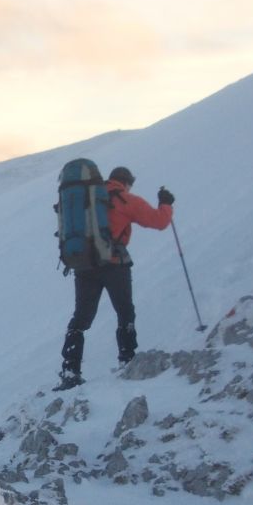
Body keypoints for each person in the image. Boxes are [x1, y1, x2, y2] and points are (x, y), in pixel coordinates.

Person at [57, 166, 174, 389]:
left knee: (80, 319)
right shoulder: (124, 198)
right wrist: (166, 203)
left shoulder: (86, 198)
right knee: (125, 312)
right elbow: (159, 221)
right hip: (114, 265)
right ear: (127, 182)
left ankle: (70, 371)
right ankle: (127, 359)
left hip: (84, 265)